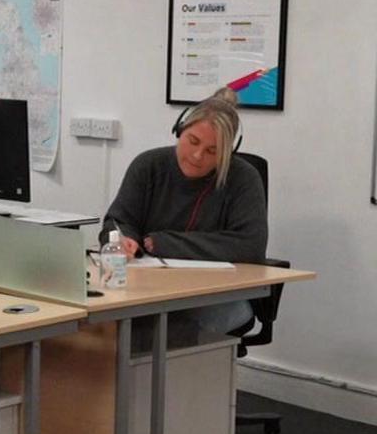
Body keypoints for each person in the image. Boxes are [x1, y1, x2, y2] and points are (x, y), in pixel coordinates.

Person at [99, 87, 268, 334]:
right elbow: (117, 220)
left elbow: (250, 245)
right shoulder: (149, 165)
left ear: (228, 153)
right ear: (179, 132)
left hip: (213, 293)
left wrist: (165, 243)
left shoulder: (243, 179)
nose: (198, 156)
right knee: (103, 323)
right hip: (147, 287)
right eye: (193, 141)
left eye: (213, 151)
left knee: (167, 330)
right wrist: (124, 239)